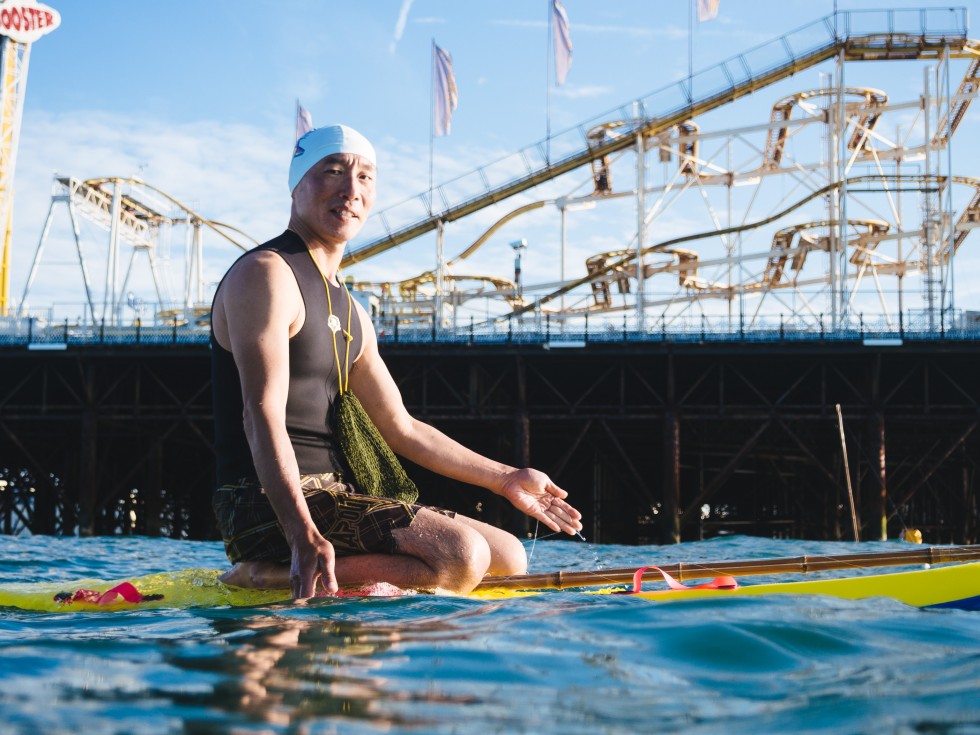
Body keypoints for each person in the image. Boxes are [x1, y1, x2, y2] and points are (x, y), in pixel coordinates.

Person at [210, 124, 583, 599]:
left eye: (365, 178)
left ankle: (343, 570)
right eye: (333, 171)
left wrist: (507, 478)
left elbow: (402, 427)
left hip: (337, 496)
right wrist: (301, 532)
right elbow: (260, 412)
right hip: (264, 500)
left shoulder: (352, 311)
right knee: (460, 554)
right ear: (297, 183)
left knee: (509, 556)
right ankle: (263, 573)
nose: (351, 190)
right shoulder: (266, 274)